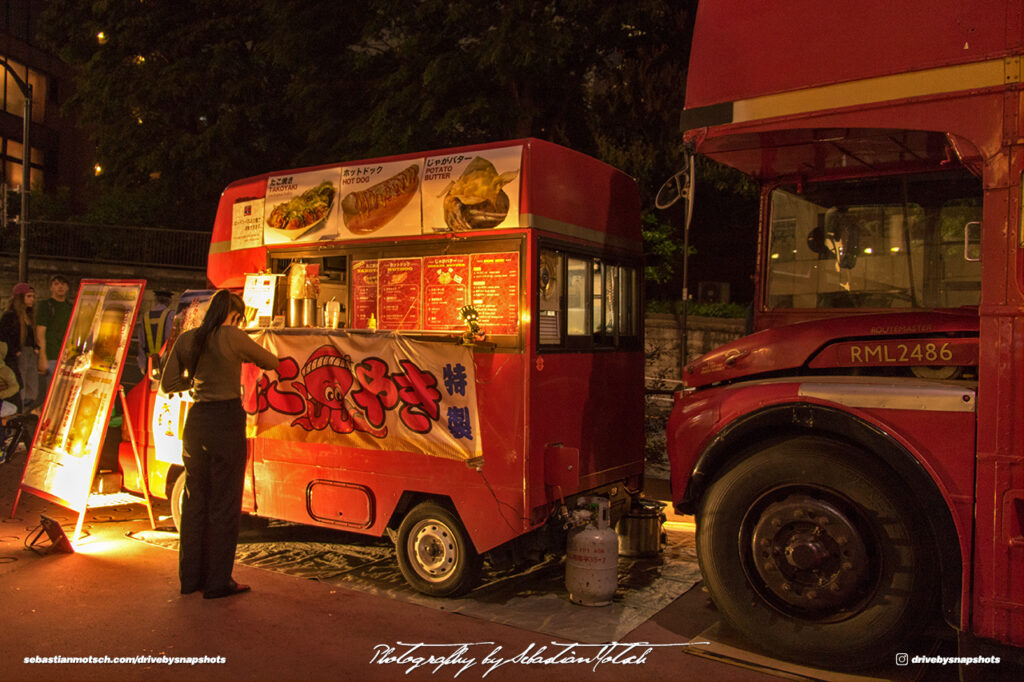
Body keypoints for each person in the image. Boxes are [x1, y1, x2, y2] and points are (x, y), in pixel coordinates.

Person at [160, 290, 279, 599]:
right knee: (224, 504)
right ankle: (217, 582)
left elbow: (168, 383)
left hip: (197, 423)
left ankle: (190, 580)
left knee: (195, 501)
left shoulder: (188, 340)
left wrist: (195, 381)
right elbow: (270, 360)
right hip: (226, 420)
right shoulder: (231, 336)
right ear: (235, 316)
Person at [0, 282, 40, 412]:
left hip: (29, 352)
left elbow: (30, 333)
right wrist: (14, 351)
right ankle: (20, 408)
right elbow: (4, 337)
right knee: (20, 381)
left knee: (32, 384)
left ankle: (26, 407)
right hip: (17, 354)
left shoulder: (28, 316)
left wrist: (35, 347)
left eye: (33, 296)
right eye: (29, 296)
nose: (32, 300)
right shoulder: (10, 316)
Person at [35, 274, 74, 403]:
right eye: (56, 284)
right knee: (51, 393)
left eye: (63, 284)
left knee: (65, 393)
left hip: (67, 356)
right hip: (51, 354)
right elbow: (40, 331)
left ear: (68, 287)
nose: (60, 287)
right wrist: (42, 356)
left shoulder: (71, 307)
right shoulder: (45, 306)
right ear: (51, 287)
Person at [137, 289, 175, 376]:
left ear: (156, 300)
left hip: (149, 362)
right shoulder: (171, 315)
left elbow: (141, 342)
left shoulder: (146, 316)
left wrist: (142, 365)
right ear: (169, 302)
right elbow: (170, 339)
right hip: (164, 361)